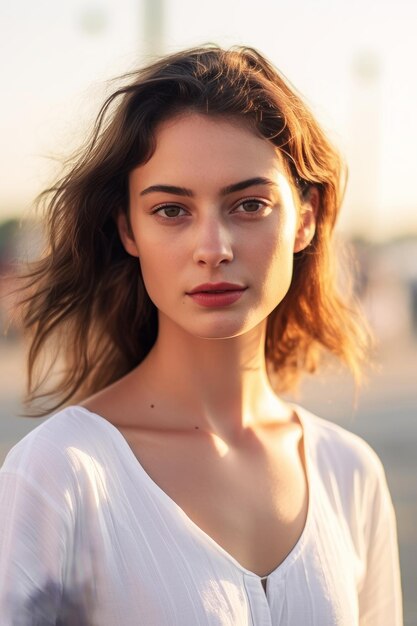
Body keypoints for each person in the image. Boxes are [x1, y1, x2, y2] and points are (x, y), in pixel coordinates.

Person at [0, 45, 402, 625]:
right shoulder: (60, 474)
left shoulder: (350, 473)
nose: (213, 249)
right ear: (127, 228)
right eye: (171, 211)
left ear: (306, 217)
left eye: (249, 204)